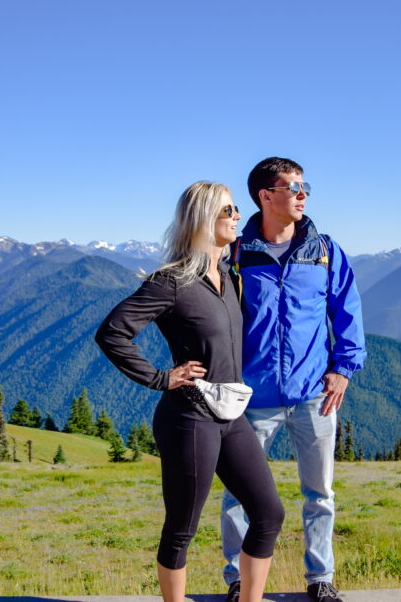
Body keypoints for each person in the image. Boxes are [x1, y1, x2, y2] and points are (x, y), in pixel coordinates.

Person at [95, 181, 284, 602]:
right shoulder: (171, 282)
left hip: (231, 413)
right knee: (182, 528)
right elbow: (112, 333)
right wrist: (162, 377)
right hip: (189, 418)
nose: (238, 216)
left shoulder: (229, 276)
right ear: (202, 220)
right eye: (228, 211)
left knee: (269, 514)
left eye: (236, 210)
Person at [221, 158, 366, 602]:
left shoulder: (324, 251)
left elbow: (348, 313)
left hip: (313, 396)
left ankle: (320, 579)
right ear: (266, 196)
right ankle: (238, 582)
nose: (303, 194)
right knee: (238, 497)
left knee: (319, 492)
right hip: (252, 396)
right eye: (293, 186)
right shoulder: (236, 255)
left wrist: (343, 368)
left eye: (305, 186)